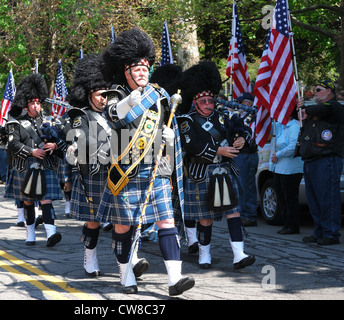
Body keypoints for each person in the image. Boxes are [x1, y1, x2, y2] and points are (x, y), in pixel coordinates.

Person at [97, 28, 194, 296]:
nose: (142, 72)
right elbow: (115, 116)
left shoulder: (159, 95)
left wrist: (170, 138)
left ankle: (175, 279)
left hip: (156, 167)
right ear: (125, 70)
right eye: (136, 68)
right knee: (124, 225)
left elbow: (163, 126)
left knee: (166, 221)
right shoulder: (116, 93)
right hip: (126, 169)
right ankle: (125, 271)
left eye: (146, 67)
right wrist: (130, 102)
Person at [176, 60, 255, 270]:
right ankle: (204, 255)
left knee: (233, 212)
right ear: (194, 102)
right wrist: (218, 150)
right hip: (201, 172)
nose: (208, 104)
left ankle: (239, 254)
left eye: (210, 100)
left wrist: (242, 139)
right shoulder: (186, 120)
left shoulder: (224, 116)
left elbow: (244, 128)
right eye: (203, 102)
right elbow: (191, 145)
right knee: (205, 218)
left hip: (224, 171)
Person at [4, 73, 67, 247]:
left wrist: (53, 146)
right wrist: (32, 151)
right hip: (26, 167)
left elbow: (59, 141)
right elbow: (13, 145)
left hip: (45, 166)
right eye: (33, 102)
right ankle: (30, 232)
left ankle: (50, 233)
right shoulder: (15, 123)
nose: (36, 106)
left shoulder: (46, 122)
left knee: (46, 200)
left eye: (38, 102)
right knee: (28, 202)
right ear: (26, 104)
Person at [66, 53, 113, 277]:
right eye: (100, 95)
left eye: (106, 94)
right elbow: (81, 136)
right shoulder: (81, 116)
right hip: (94, 174)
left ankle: (129, 259)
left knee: (125, 219)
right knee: (93, 221)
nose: (104, 99)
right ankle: (90, 256)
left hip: (118, 173)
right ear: (89, 95)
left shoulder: (115, 116)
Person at [297, 80, 344, 245]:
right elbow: (291, 114)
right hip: (311, 159)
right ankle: (319, 231)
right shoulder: (313, 110)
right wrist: (300, 107)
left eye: (318, 90)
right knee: (314, 199)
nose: (315, 92)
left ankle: (330, 233)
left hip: (327, 158)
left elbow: (321, 109)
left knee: (327, 198)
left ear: (329, 91)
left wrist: (304, 109)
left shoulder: (334, 107)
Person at [270, 109, 303, 234]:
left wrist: (278, 154)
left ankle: (293, 225)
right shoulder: (281, 126)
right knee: (281, 196)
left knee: (290, 197)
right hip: (279, 167)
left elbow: (293, 146)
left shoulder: (294, 126)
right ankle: (286, 223)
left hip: (291, 168)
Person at [233, 92, 259, 227]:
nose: (239, 105)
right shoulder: (239, 116)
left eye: (241, 103)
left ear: (249, 103)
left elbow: (251, 134)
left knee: (247, 185)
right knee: (240, 186)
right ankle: (242, 213)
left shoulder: (253, 117)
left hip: (247, 153)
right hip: (239, 154)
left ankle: (249, 215)